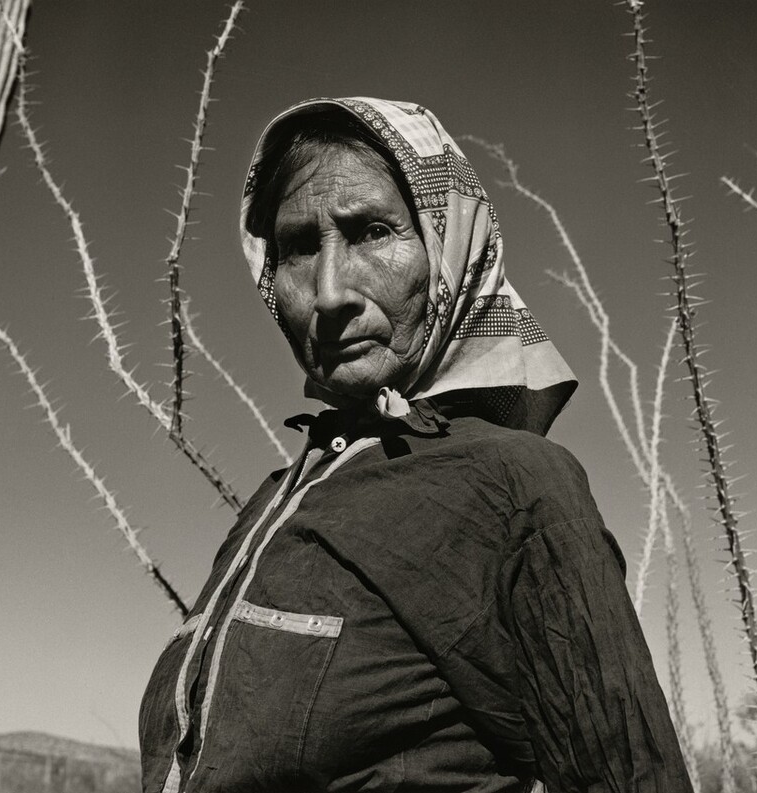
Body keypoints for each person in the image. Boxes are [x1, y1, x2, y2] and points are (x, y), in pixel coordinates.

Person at [139, 97, 694, 793]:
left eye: (371, 231)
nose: (331, 290)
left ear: (448, 248)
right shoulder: (276, 502)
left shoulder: (513, 487)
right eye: (299, 246)